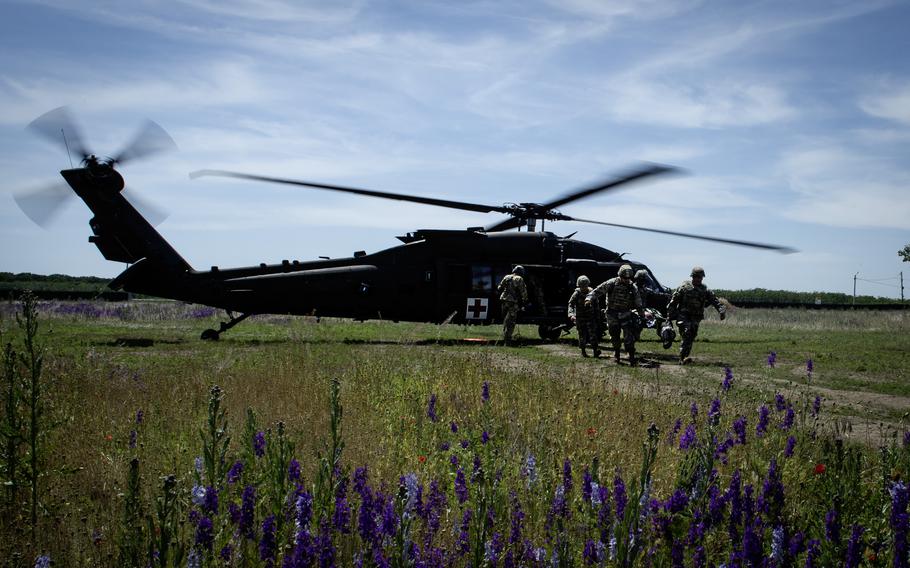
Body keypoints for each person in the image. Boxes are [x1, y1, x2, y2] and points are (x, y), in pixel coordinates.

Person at [666, 266, 726, 364]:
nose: (698, 279)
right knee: (687, 332)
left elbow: (715, 301)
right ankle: (682, 358)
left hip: (696, 317)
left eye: (700, 277)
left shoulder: (704, 290)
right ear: (692, 277)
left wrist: (721, 311)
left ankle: (685, 356)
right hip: (683, 316)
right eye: (697, 277)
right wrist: (669, 314)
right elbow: (674, 301)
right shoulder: (684, 287)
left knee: (691, 336)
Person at [587, 264, 643, 365]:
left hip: (625, 313)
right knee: (614, 335)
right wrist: (588, 299)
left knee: (629, 336)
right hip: (612, 313)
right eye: (624, 278)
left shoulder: (632, 286)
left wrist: (641, 313)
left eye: (628, 278)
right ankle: (617, 354)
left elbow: (638, 300)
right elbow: (597, 291)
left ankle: (631, 355)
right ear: (620, 276)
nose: (627, 280)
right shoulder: (611, 283)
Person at [568, 275, 600, 357]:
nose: (583, 288)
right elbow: (571, 304)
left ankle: (595, 351)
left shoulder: (592, 293)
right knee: (582, 335)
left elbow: (596, 305)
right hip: (580, 317)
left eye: (585, 286)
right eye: (581, 286)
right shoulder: (577, 293)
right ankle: (583, 352)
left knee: (593, 335)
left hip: (591, 317)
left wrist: (598, 317)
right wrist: (571, 314)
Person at [497, 265, 528, 344]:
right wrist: (525, 301)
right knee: (511, 322)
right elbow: (523, 292)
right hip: (513, 302)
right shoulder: (519, 279)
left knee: (505, 320)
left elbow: (499, 287)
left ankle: (504, 336)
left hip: (503, 301)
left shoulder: (507, 277)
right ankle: (507, 340)